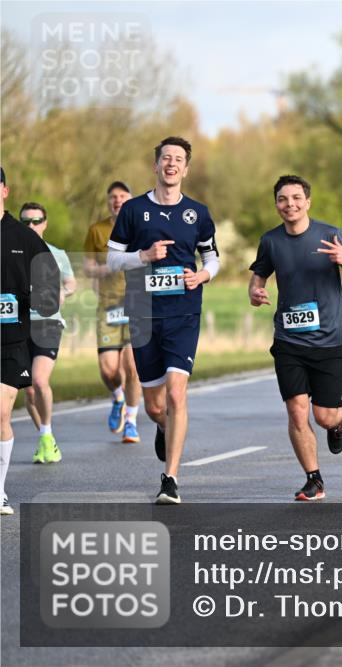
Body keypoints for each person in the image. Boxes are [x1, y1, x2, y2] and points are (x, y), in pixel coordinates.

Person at [106, 137, 221, 504]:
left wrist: (202, 276)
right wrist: (143, 256)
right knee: (156, 407)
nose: (171, 164)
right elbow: (112, 260)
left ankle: (170, 479)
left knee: (175, 393)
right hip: (143, 314)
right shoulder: (133, 210)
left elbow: (212, 257)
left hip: (183, 314)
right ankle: (162, 426)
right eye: (166, 158)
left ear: (186, 169)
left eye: (178, 159)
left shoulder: (197, 213)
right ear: (155, 165)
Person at [249, 175, 342, 501]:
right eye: (282, 199)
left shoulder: (330, 235)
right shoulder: (270, 241)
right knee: (296, 410)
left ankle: (336, 424)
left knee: (324, 416)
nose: (289, 204)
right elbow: (259, 275)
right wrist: (255, 291)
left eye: (295, 198)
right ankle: (313, 479)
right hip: (288, 340)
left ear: (307, 202)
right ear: (276, 204)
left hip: (327, 341)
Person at [0, 167, 61, 515]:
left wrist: (40, 298)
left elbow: (49, 278)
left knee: (1, 411)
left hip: (11, 340)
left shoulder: (23, 238)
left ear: (5, 191)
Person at [83, 181, 142, 444]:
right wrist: (109, 267)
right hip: (108, 306)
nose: (117, 200)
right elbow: (88, 268)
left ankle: (131, 422)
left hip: (136, 304)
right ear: (108, 202)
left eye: (122, 196)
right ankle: (118, 397)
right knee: (108, 370)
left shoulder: (141, 227)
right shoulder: (96, 231)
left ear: (130, 200)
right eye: (113, 197)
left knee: (131, 366)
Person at [19, 203, 76, 463]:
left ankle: (47, 435)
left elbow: (71, 282)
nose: (31, 226)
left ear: (45, 223)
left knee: (39, 381)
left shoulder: (56, 254)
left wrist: (63, 291)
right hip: (19, 325)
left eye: (36, 221)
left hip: (48, 324)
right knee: (29, 392)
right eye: (25, 222)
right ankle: (46, 438)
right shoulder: (11, 252)